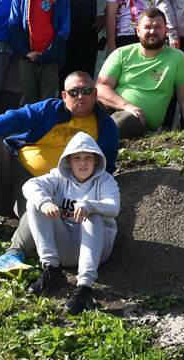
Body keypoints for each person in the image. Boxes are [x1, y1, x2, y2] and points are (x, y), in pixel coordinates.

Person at [0, 73, 118, 259]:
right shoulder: (50, 109)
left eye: (86, 91)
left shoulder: (106, 126)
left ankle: (15, 253)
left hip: (49, 189)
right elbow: (16, 117)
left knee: (41, 211)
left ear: (95, 93)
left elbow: (106, 168)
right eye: (74, 92)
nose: (81, 96)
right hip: (13, 170)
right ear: (64, 96)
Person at [20, 132, 121, 314]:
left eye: (88, 158)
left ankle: (84, 288)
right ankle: (52, 270)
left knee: (93, 216)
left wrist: (89, 205)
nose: (83, 163)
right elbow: (29, 186)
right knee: (35, 203)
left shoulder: (105, 180)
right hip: (65, 245)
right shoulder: (59, 176)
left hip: (96, 247)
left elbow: (113, 207)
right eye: (77, 159)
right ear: (69, 161)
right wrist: (45, 202)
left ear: (96, 161)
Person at [97, 6, 184, 137]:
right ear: (138, 30)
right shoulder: (121, 54)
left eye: (157, 27)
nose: (152, 31)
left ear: (165, 30)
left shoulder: (178, 59)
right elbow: (100, 88)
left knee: (121, 122)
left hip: (137, 120)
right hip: (113, 107)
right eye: (147, 27)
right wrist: (126, 106)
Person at [8, 0, 70, 106]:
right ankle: (26, 129)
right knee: (28, 97)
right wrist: (26, 52)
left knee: (47, 99)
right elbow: (14, 25)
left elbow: (64, 30)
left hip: (50, 59)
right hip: (27, 58)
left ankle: (45, 130)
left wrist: (49, 54)